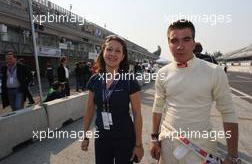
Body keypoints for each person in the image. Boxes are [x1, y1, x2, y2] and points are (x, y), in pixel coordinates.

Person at [150, 20, 240, 164]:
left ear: (193, 43)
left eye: (186, 39)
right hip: (167, 146)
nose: (180, 46)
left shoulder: (214, 72)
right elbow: (158, 106)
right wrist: (154, 138)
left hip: (201, 149)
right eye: (174, 41)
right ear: (169, 44)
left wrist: (233, 156)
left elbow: (228, 112)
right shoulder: (162, 72)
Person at [81, 35, 144, 164]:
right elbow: (89, 109)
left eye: (117, 51)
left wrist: (138, 145)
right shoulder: (94, 80)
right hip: (102, 137)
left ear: (123, 56)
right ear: (103, 52)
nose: (112, 54)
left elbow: (137, 114)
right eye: (109, 49)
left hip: (125, 138)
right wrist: (85, 136)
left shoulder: (129, 80)